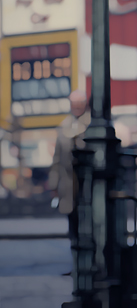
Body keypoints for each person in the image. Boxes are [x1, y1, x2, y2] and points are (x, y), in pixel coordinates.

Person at [48, 90, 91, 243]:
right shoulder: (64, 126)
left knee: (88, 219)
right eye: (74, 103)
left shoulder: (92, 123)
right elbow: (57, 158)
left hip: (88, 182)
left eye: (80, 103)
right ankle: (76, 255)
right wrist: (53, 184)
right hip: (68, 183)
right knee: (73, 222)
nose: (77, 107)